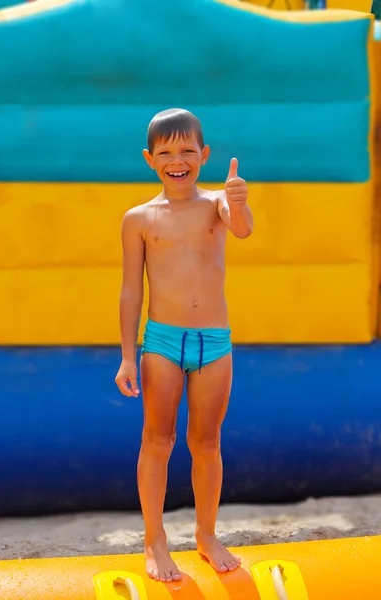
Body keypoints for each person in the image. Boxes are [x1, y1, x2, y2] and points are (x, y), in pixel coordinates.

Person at [115, 108, 253, 583]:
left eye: (187, 151)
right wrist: (128, 355)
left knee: (206, 441)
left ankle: (207, 533)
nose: (178, 160)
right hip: (162, 342)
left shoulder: (217, 203)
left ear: (204, 155)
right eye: (167, 152)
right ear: (150, 158)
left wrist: (238, 198)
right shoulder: (139, 218)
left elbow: (242, 228)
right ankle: (155, 539)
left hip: (214, 342)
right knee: (158, 439)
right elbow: (132, 290)